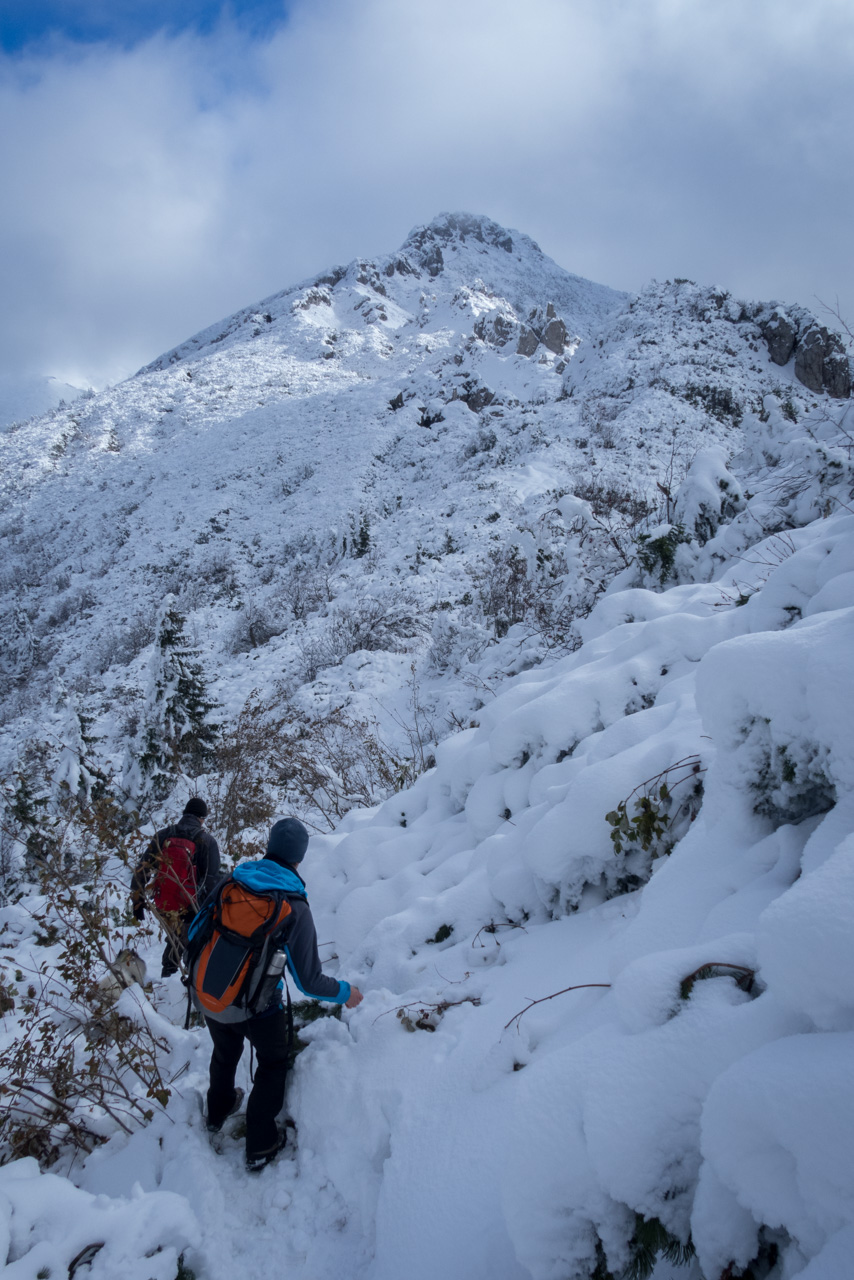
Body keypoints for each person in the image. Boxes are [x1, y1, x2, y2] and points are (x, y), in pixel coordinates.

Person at [203, 816, 363, 1172]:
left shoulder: (232, 881)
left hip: (212, 994)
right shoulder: (293, 907)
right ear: (299, 858)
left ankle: (217, 1111)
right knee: (273, 1063)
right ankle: (260, 1145)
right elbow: (308, 982)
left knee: (224, 1052)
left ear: (269, 845)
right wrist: (345, 992)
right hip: (258, 1008)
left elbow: (200, 928)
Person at [131, 796, 220, 978]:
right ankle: (181, 981)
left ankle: (169, 977)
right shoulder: (206, 841)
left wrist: (137, 899)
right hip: (191, 905)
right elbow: (211, 880)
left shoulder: (163, 835)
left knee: (176, 938)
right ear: (202, 818)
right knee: (192, 943)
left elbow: (143, 868)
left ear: (185, 813)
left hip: (165, 902)